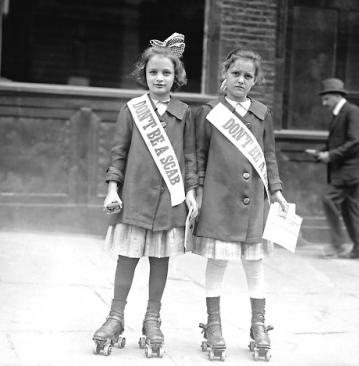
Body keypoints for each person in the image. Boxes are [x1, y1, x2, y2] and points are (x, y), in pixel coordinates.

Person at [92, 33, 198, 356]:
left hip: (169, 202)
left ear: (175, 76)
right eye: (153, 72)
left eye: (166, 73)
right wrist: (113, 190)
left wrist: (192, 193)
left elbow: (191, 158)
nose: (159, 78)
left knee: (160, 259)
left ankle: (153, 318)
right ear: (144, 74)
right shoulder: (132, 110)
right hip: (134, 199)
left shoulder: (184, 113)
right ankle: (116, 315)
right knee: (127, 258)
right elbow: (118, 154)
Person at [194, 48, 288, 360]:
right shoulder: (210, 111)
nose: (241, 80)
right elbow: (199, 155)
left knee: (254, 263)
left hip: (254, 204)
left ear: (255, 81)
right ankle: (213, 323)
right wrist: (196, 191)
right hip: (219, 200)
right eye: (236, 73)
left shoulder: (262, 114)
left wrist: (276, 191)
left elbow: (269, 155)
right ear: (225, 74)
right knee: (218, 261)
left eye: (248, 76)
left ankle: (258, 324)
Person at [315, 78, 359, 260]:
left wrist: (331, 155)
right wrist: (323, 153)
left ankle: (338, 243)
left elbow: (355, 142)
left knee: (328, 199)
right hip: (349, 169)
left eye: (326, 99)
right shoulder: (341, 113)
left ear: (337, 96)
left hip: (351, 170)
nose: (323, 103)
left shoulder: (352, 112)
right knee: (351, 211)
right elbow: (342, 141)